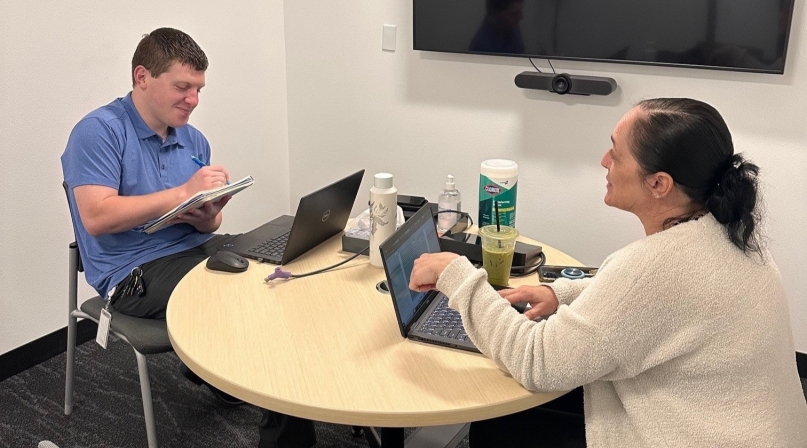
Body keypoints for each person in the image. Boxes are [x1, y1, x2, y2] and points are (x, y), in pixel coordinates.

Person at [409, 98, 807, 447]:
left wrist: (456, 275)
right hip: (753, 431)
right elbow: (658, 308)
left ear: (658, 184)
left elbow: (536, 361)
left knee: (510, 415)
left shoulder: (653, 269)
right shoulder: (731, 231)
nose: (603, 161)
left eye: (615, 154)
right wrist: (562, 296)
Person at [61, 27, 316, 448]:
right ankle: (285, 436)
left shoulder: (192, 138)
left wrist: (206, 215)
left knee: (286, 263)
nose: (193, 100)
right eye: (182, 87)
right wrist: (181, 194)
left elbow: (206, 225)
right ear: (142, 77)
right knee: (253, 295)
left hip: (191, 248)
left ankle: (214, 366)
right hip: (132, 274)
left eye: (198, 89)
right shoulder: (99, 131)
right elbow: (95, 216)